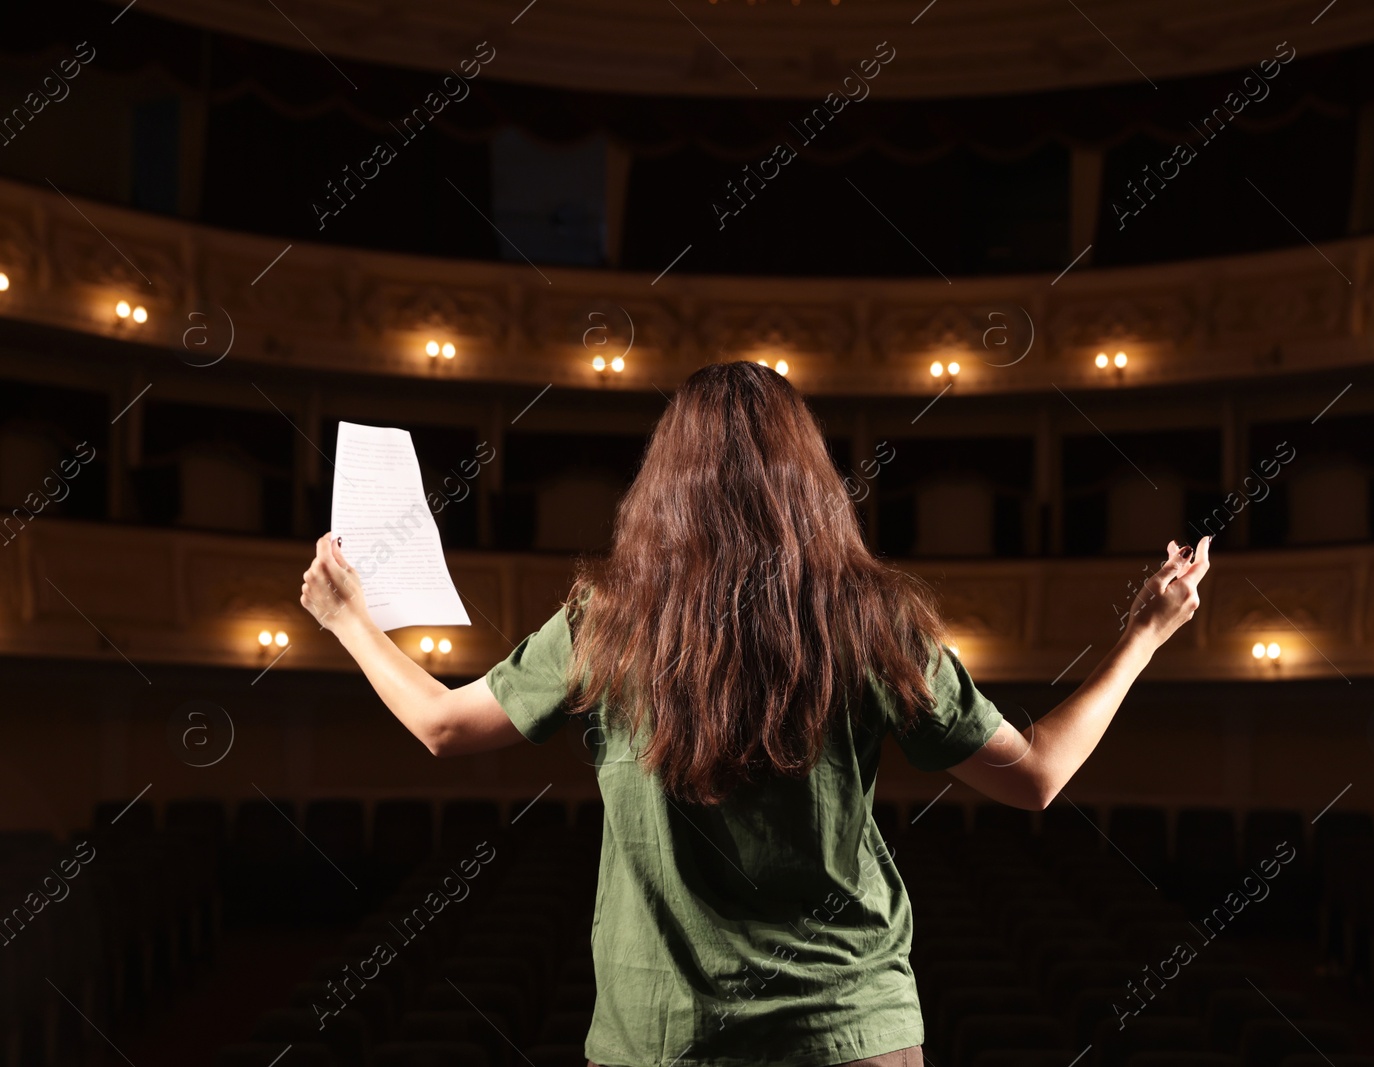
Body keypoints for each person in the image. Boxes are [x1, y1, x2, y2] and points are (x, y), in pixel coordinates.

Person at [299, 361, 1212, 1067]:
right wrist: (1146, 635)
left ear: (665, 480)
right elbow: (1040, 775)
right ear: (808, 477)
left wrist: (346, 618)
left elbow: (442, 726)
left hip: (662, 1036)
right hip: (850, 1031)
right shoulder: (871, 617)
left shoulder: (608, 617)